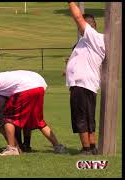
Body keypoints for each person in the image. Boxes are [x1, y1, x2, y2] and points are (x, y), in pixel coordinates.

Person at [0, 69, 67, 156]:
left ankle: (12, 149)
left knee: (8, 119)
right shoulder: (2, 78)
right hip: (40, 85)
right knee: (38, 120)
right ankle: (58, 146)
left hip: (26, 87)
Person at [65, 2, 105, 155]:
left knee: (80, 117)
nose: (79, 28)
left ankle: (86, 149)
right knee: (88, 117)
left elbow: (77, 17)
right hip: (87, 84)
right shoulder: (86, 42)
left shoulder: (93, 37)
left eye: (81, 26)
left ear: (88, 26)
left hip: (82, 85)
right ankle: (92, 146)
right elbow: (80, 58)